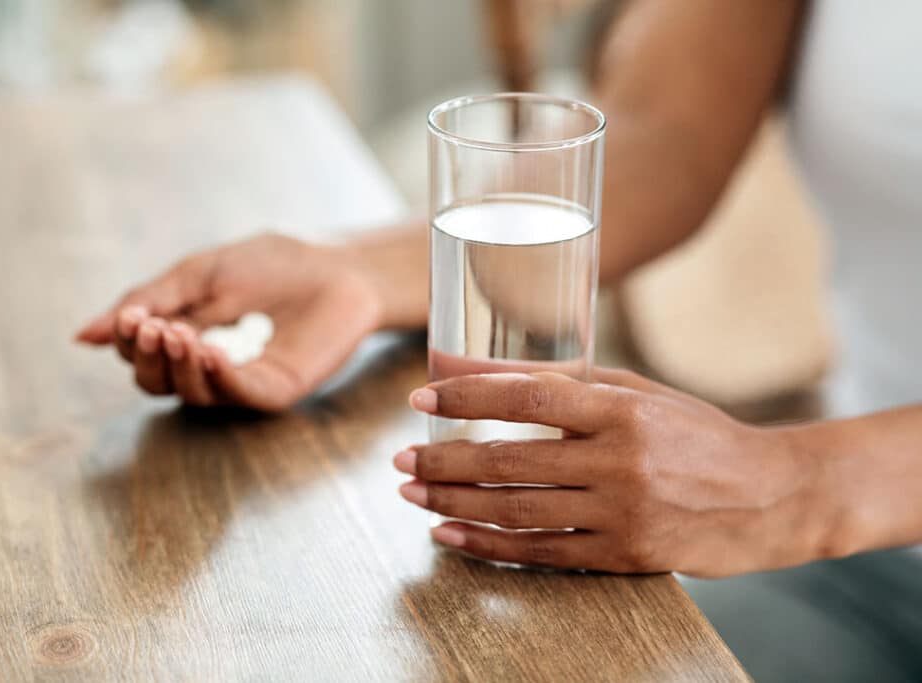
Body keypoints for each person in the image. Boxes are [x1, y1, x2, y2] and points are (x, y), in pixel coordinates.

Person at [77, 1, 922, 675]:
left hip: (843, 517)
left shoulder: (804, 497)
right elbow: (666, 131)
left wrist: (795, 486)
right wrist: (364, 271)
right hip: (864, 574)